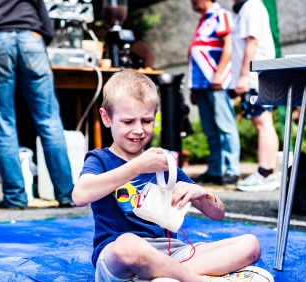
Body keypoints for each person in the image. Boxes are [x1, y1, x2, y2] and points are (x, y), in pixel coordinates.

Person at [72, 71, 273, 282]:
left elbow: (218, 213)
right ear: (106, 118)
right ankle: (199, 279)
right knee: (128, 245)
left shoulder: (163, 164)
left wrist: (201, 194)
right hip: (120, 259)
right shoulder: (100, 159)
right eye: (128, 121)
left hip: (172, 253)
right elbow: (80, 195)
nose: (139, 130)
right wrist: (136, 167)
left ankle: (163, 276)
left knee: (250, 244)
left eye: (147, 120)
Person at [0, 0, 75, 208]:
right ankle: (68, 195)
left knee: (3, 123)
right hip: (31, 37)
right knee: (49, 121)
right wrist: (44, 34)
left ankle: (15, 197)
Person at [229, 0, 280, 192]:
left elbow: (252, 41)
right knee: (262, 124)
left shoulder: (251, 6)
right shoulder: (248, 8)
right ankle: (267, 172)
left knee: (263, 124)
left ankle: (265, 173)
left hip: (255, 77)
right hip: (254, 77)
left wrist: (243, 76)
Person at [188, 0, 241, 186]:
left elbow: (229, 45)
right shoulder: (204, 19)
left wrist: (219, 74)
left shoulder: (221, 15)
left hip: (216, 81)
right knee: (210, 128)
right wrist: (193, 87)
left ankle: (232, 170)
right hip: (202, 83)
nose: (192, 2)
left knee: (225, 126)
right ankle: (215, 170)